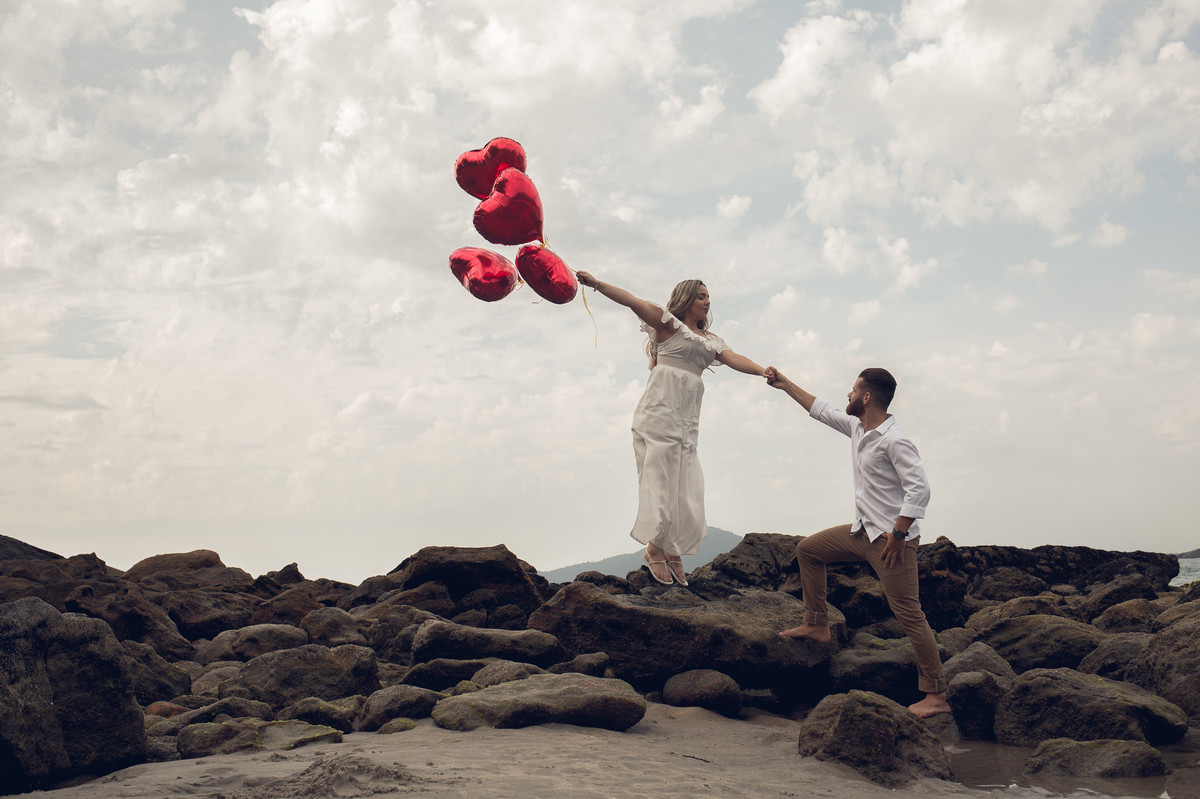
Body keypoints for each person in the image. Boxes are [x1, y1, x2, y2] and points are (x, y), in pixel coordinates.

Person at [764, 365, 950, 718]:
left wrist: (898, 534)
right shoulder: (858, 427)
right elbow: (820, 409)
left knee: (909, 615)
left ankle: (937, 695)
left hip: (891, 543)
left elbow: (919, 489)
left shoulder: (895, 439)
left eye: (852, 390)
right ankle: (818, 623)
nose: (846, 395)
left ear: (867, 397)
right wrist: (785, 383)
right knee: (809, 550)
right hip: (861, 533)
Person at [575, 271, 766, 586]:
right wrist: (596, 284)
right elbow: (632, 301)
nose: (707, 302)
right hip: (660, 413)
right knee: (661, 484)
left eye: (708, 297)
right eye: (701, 296)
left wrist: (763, 371)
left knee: (685, 487)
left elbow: (733, 358)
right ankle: (654, 550)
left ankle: (671, 549)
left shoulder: (710, 341)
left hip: (687, 420)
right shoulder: (667, 325)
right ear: (687, 299)